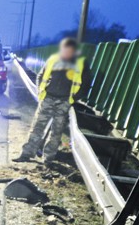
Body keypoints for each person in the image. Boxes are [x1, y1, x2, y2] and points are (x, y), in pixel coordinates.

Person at [13, 37, 92, 165]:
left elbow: (86, 84)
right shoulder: (53, 59)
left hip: (64, 101)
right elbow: (41, 75)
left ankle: (48, 158)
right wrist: (40, 91)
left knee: (56, 132)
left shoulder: (81, 63)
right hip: (48, 98)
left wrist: (73, 99)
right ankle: (26, 154)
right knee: (37, 127)